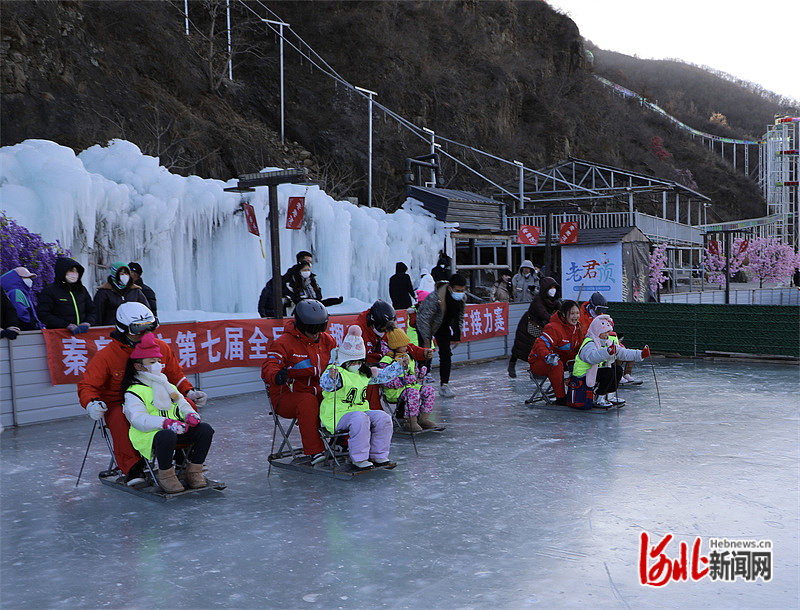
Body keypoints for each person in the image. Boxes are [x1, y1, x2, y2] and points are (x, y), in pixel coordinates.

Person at [77, 302, 207, 485]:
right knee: (117, 418)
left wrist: (189, 391)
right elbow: (88, 385)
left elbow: (175, 375)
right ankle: (133, 467)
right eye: (138, 330)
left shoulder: (161, 348)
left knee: (188, 406)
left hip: (157, 398)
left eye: (149, 328)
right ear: (123, 329)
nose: (144, 335)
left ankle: (183, 456)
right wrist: (91, 403)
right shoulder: (106, 356)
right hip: (121, 403)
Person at [121, 333, 215, 493]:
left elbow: (181, 402)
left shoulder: (165, 383)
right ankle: (166, 476)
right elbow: (138, 418)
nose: (157, 365)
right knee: (166, 435)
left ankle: (193, 470)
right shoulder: (134, 391)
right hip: (149, 435)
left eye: (158, 361)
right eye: (152, 362)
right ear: (138, 366)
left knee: (205, 430)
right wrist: (164, 423)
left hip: (175, 428)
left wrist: (190, 415)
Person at [261, 299, 336, 463]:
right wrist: (277, 375)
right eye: (312, 329)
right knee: (307, 402)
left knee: (342, 397)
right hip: (288, 396)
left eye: (320, 328)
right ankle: (315, 450)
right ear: (302, 325)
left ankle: (342, 443)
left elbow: (338, 362)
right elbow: (270, 366)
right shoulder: (284, 343)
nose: (316, 333)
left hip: (319, 390)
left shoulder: (327, 341)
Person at [319, 326, 400, 469]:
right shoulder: (336, 371)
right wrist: (332, 378)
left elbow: (384, 375)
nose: (356, 365)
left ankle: (378, 454)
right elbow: (325, 384)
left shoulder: (363, 372)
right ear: (344, 360)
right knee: (360, 419)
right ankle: (359, 458)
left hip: (360, 412)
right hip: (337, 415)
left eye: (359, 362)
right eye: (352, 362)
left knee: (383, 418)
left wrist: (400, 366)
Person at [354, 299, 434, 411]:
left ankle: (408, 412)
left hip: (387, 370)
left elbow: (403, 345)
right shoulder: (358, 331)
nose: (385, 331)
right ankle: (374, 414)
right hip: (367, 369)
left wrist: (422, 352)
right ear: (373, 322)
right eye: (382, 329)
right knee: (370, 380)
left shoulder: (387, 329)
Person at [568, 314, 650, 409]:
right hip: (583, 374)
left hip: (595, 371)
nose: (607, 335)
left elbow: (623, 353)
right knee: (608, 372)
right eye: (604, 332)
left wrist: (640, 354)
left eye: (608, 332)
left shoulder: (608, 343)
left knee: (617, 370)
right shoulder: (589, 342)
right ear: (597, 331)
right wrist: (607, 351)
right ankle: (600, 397)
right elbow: (591, 357)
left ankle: (610, 395)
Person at [416, 274, 467, 398]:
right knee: (424, 354)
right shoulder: (435, 297)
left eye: (462, 290)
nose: (460, 293)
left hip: (443, 325)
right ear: (450, 288)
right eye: (457, 290)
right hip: (425, 324)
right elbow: (424, 319)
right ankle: (418, 383)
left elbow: (459, 317)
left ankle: (444, 385)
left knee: (446, 354)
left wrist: (457, 335)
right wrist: (427, 339)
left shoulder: (462, 298)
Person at [380, 328, 437, 432]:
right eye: (404, 346)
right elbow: (385, 381)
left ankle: (423, 418)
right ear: (395, 347)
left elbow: (414, 376)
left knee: (429, 390)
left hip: (411, 387)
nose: (407, 348)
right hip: (395, 392)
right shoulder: (387, 361)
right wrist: (404, 380)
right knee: (413, 393)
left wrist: (420, 375)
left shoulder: (409, 357)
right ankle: (411, 421)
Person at [528, 300, 583, 405]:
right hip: (540, 362)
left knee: (585, 360)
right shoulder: (553, 328)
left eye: (577, 313)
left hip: (564, 359)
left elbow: (579, 347)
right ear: (563, 314)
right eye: (572, 313)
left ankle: (584, 393)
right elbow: (540, 344)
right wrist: (547, 356)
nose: (575, 316)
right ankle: (561, 398)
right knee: (556, 364)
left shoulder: (577, 327)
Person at [579, 292, 640, 385]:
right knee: (614, 354)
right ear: (592, 306)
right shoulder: (582, 316)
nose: (600, 311)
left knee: (624, 351)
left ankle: (626, 374)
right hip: (593, 342)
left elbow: (608, 325)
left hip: (605, 340)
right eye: (598, 309)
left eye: (603, 309)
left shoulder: (602, 316)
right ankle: (613, 377)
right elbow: (586, 332)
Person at [508, 276, 561, 377]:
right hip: (529, 325)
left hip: (541, 326)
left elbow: (561, 309)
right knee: (520, 347)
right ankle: (511, 365)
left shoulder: (554, 300)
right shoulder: (538, 300)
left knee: (538, 349)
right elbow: (543, 314)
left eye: (554, 288)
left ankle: (535, 370)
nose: (553, 291)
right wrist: (556, 320)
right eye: (551, 288)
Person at [36, 256, 95, 332]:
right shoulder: (50, 290)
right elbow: (43, 314)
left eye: (76, 271)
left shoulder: (81, 289)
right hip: (59, 334)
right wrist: (66, 325)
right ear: (62, 272)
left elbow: (92, 310)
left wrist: (88, 322)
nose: (74, 274)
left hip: (82, 333)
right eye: (71, 271)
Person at [1, 267, 43, 339]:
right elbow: (21, 313)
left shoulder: (23, 293)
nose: (30, 280)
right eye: (26, 277)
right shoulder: (16, 292)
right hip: (25, 332)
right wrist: (34, 325)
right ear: (16, 278)